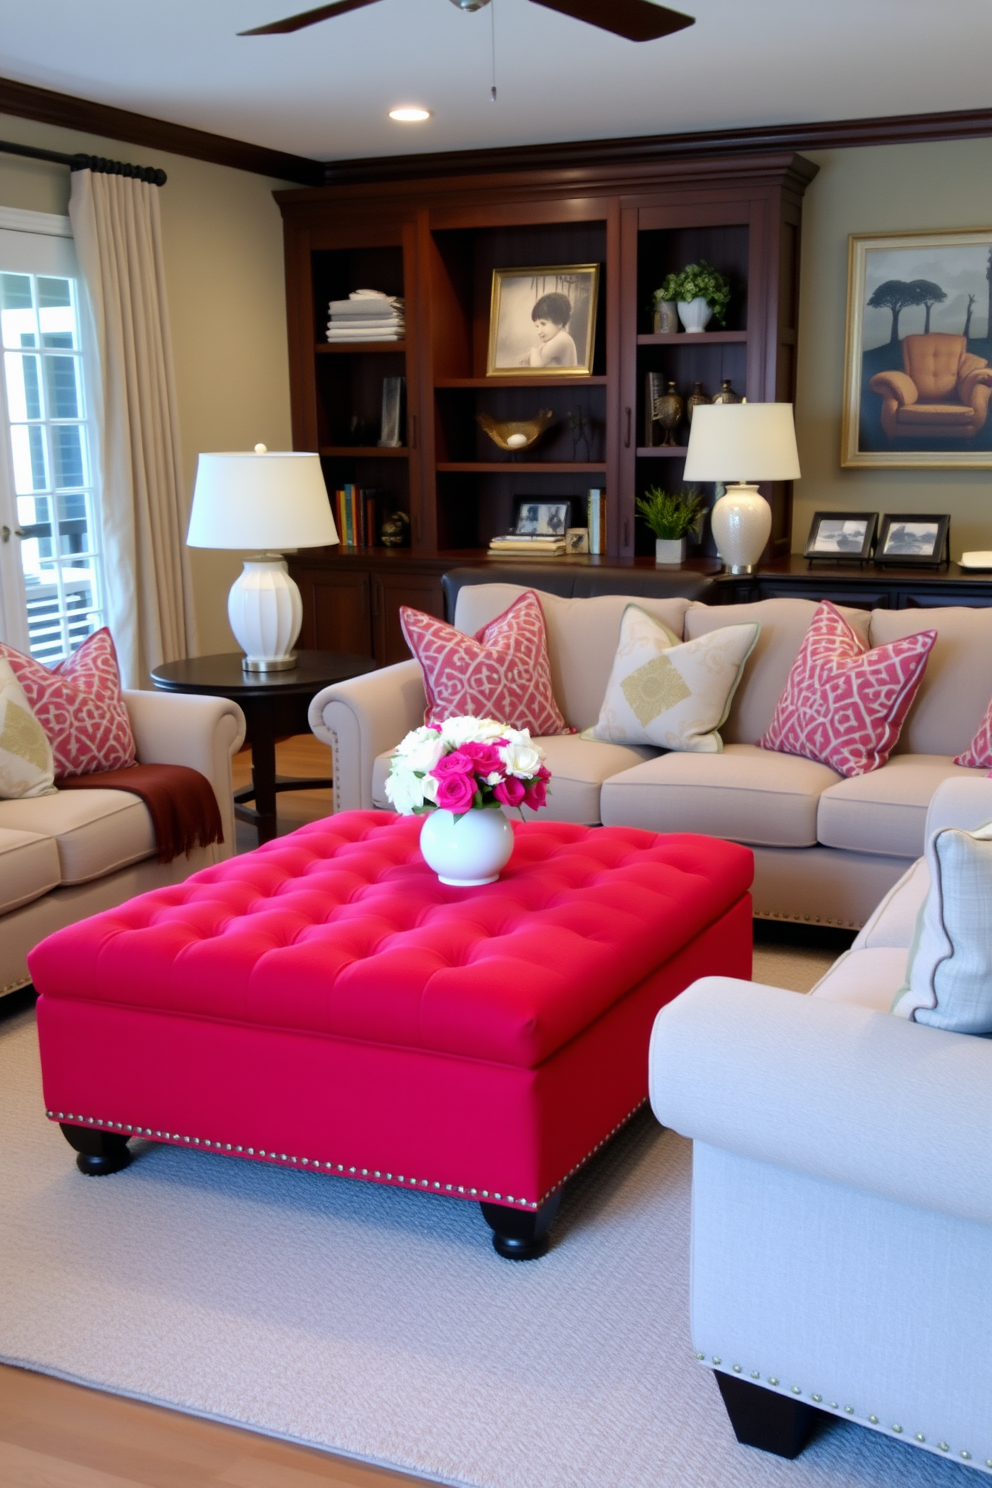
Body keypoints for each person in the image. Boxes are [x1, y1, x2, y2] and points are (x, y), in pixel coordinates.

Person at [526, 291, 578, 368]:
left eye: (543, 324)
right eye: (537, 326)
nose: (539, 332)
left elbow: (535, 368)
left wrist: (533, 351)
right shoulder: (559, 338)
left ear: (559, 322)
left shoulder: (562, 339)